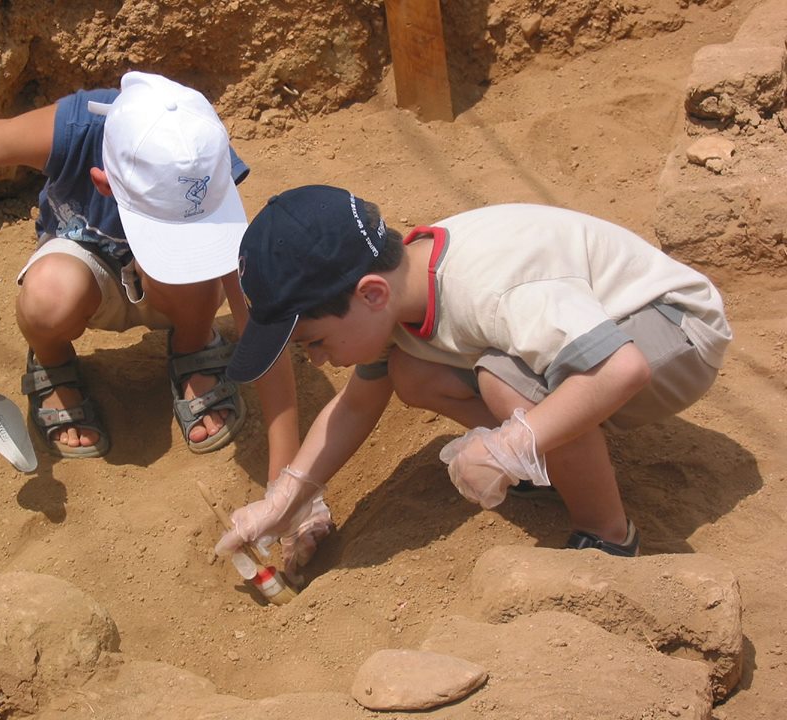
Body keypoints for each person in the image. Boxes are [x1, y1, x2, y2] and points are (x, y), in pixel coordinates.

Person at [215, 185, 732, 570]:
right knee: (411, 372)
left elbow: (620, 368)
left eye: (316, 343)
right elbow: (354, 406)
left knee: (504, 382)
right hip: (596, 337)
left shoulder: (489, 285)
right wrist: (286, 498)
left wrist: (510, 445)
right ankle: (553, 460)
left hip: (674, 329)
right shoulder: (397, 294)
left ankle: (608, 535)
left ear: (370, 294)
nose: (320, 362)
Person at [0, 71, 301, 481]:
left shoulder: (197, 152)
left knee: (202, 268)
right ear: (103, 182)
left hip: (174, 290)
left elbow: (256, 324)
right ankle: (52, 360)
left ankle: (193, 344)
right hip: (84, 264)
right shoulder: (74, 129)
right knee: (47, 297)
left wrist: (288, 478)